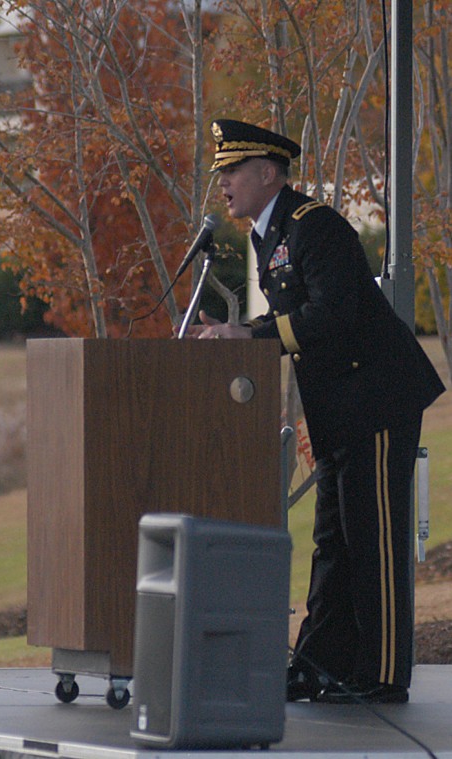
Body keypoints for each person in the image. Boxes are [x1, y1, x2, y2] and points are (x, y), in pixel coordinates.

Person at [182, 118, 446, 704]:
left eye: (231, 171)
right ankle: (321, 663)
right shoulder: (269, 234)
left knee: (374, 538)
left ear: (267, 173)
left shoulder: (314, 226)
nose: (221, 183)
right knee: (334, 538)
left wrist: (246, 337)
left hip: (376, 399)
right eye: (220, 172)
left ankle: (380, 674)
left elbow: (334, 315)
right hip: (337, 408)